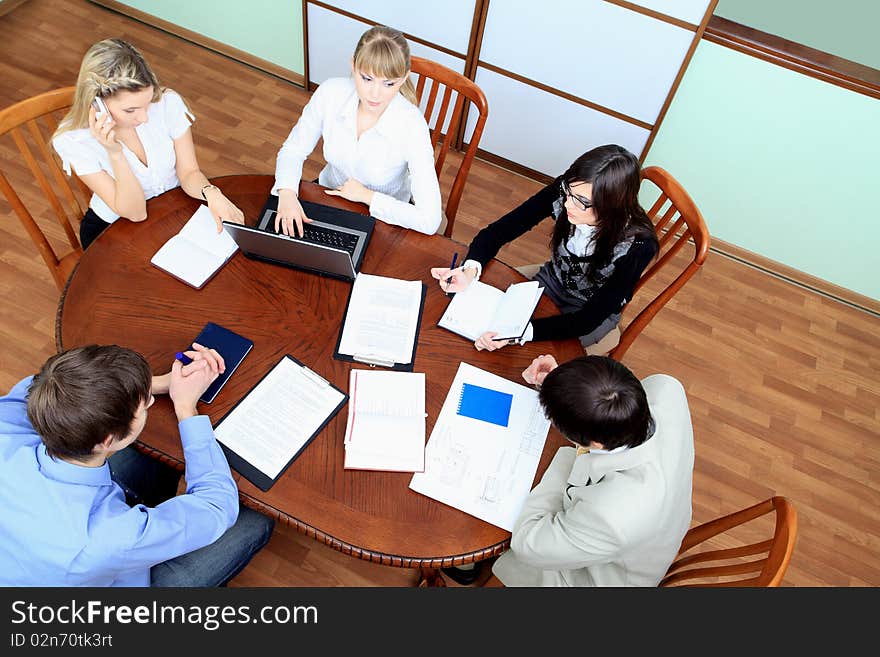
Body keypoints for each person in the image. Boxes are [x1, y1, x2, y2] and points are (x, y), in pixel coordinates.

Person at [0, 344, 274, 586]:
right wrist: (186, 408)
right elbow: (216, 506)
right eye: (144, 405)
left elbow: (36, 384)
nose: (150, 402)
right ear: (106, 441)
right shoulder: (105, 537)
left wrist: (151, 385)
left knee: (153, 458)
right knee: (255, 522)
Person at [431, 144, 659, 355]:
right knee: (480, 328)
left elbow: (588, 320)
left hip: (589, 312)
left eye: (581, 201)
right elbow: (500, 230)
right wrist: (469, 270)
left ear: (611, 207)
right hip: (551, 280)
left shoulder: (638, 245)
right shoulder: (568, 191)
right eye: (568, 191)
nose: (568, 203)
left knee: (522, 356)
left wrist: (523, 332)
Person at [489, 354, 694, 587]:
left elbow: (528, 543)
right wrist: (568, 389)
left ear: (595, 443)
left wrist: (565, 458)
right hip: (662, 523)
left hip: (600, 576)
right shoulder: (667, 389)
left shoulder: (610, 517)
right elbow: (610, 404)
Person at [52, 38, 244, 249]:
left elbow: (189, 172)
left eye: (147, 103)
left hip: (173, 209)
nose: (144, 118)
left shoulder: (166, 103)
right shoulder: (73, 140)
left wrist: (211, 192)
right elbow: (135, 213)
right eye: (130, 110)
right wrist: (115, 153)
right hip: (114, 228)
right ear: (98, 103)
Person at [272, 25, 442, 237]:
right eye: (367, 79)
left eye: (389, 84)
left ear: (404, 78)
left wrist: (367, 196)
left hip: (384, 219)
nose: (375, 94)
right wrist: (287, 193)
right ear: (353, 65)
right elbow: (293, 150)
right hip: (329, 198)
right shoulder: (330, 93)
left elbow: (430, 219)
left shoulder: (412, 125)